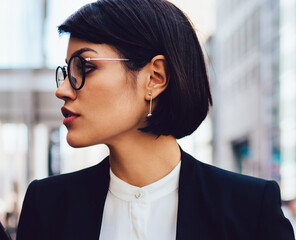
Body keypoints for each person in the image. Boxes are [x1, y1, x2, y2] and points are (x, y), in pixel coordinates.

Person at [16, 0, 295, 239]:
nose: (62, 89)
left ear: (154, 78)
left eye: (85, 67)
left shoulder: (249, 210)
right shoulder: (48, 206)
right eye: (66, 71)